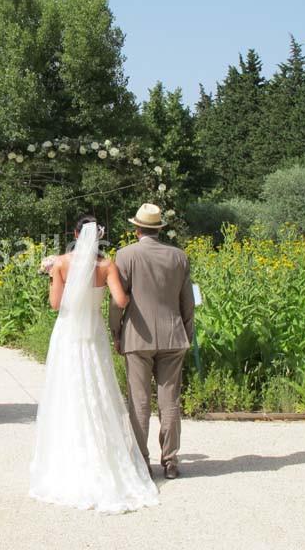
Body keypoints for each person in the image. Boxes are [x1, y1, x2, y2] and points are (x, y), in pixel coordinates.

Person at [29, 216, 159, 512]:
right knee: (98, 390)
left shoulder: (61, 263)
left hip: (68, 334)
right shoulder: (106, 265)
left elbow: (55, 304)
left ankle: (68, 458)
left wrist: (53, 275)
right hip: (94, 333)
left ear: (74, 233)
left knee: (67, 391)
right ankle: (105, 458)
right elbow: (121, 300)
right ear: (99, 236)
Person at [109, 203, 195, 480]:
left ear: (136, 229)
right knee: (170, 400)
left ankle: (141, 460)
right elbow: (187, 302)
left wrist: (115, 331)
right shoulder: (179, 257)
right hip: (173, 334)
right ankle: (170, 461)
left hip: (138, 335)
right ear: (158, 229)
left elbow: (117, 302)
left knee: (139, 400)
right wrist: (187, 332)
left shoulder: (125, 255)